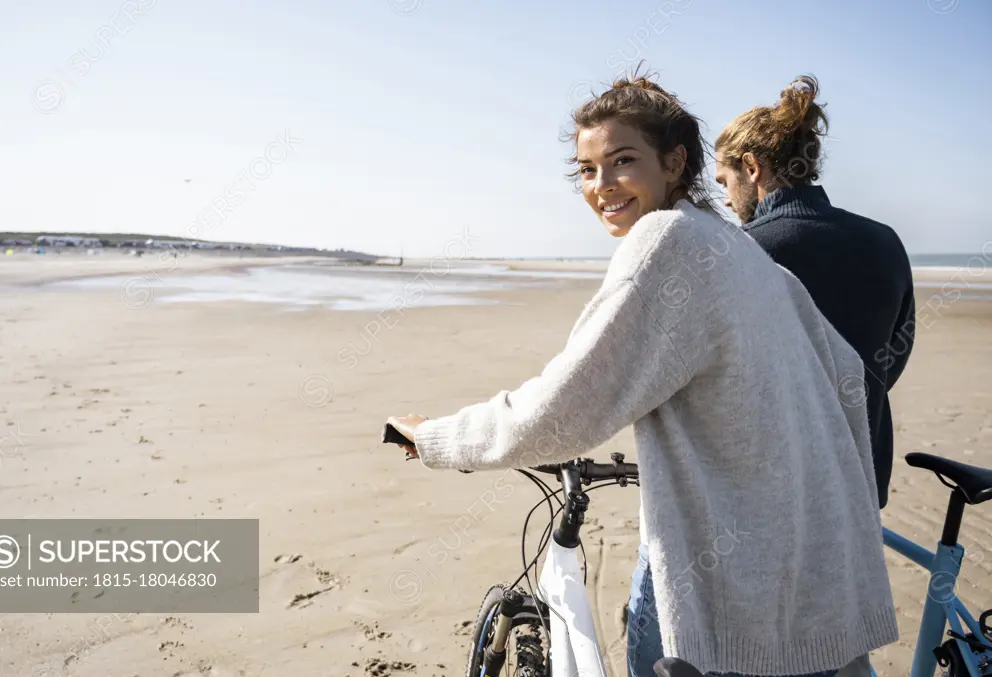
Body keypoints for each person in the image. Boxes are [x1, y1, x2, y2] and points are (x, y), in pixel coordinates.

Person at [387, 73, 897, 677]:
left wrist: (438, 438)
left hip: (738, 599)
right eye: (586, 169)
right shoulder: (743, 252)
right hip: (818, 576)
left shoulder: (667, 240)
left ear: (675, 162)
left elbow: (566, 407)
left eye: (622, 161)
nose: (601, 186)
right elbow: (845, 377)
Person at [714, 75, 915, 511]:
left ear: (752, 168)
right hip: (861, 486)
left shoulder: (743, 251)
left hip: (767, 495)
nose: (726, 201)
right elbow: (894, 354)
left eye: (723, 181)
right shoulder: (885, 242)